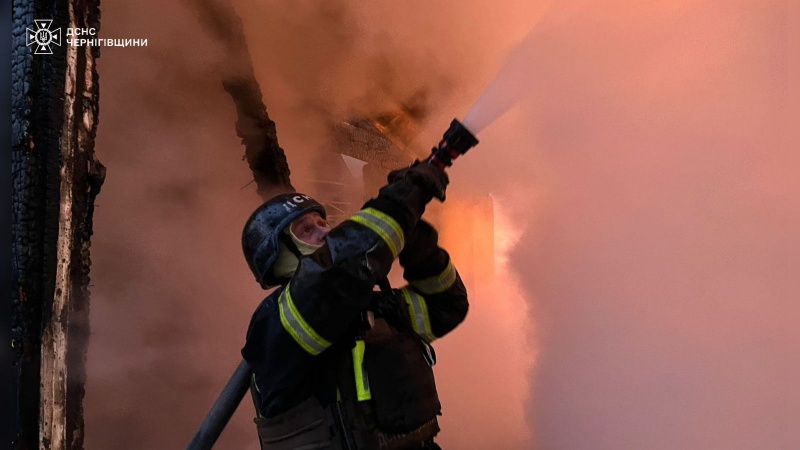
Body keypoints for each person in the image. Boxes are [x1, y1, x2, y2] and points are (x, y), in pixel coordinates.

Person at [241, 163, 469, 450]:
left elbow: (447, 305)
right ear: (279, 256)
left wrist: (417, 243)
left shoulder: (368, 308)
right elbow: (337, 272)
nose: (324, 233)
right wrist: (399, 208)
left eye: (322, 223)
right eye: (306, 230)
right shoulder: (276, 321)